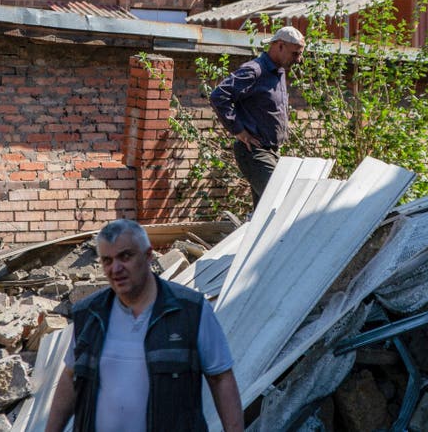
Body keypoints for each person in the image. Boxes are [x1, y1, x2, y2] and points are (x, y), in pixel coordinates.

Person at [45, 219, 243, 432]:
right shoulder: (90, 314)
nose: (116, 268)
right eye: (107, 260)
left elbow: (221, 379)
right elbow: (70, 377)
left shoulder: (190, 311)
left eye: (125, 256)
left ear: (148, 255)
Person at [209, 26, 305, 205]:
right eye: (295, 54)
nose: (299, 60)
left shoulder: (279, 72)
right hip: (254, 153)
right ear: (280, 46)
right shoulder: (255, 70)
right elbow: (219, 95)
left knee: (264, 213)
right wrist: (238, 130)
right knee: (280, 204)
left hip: (271, 152)